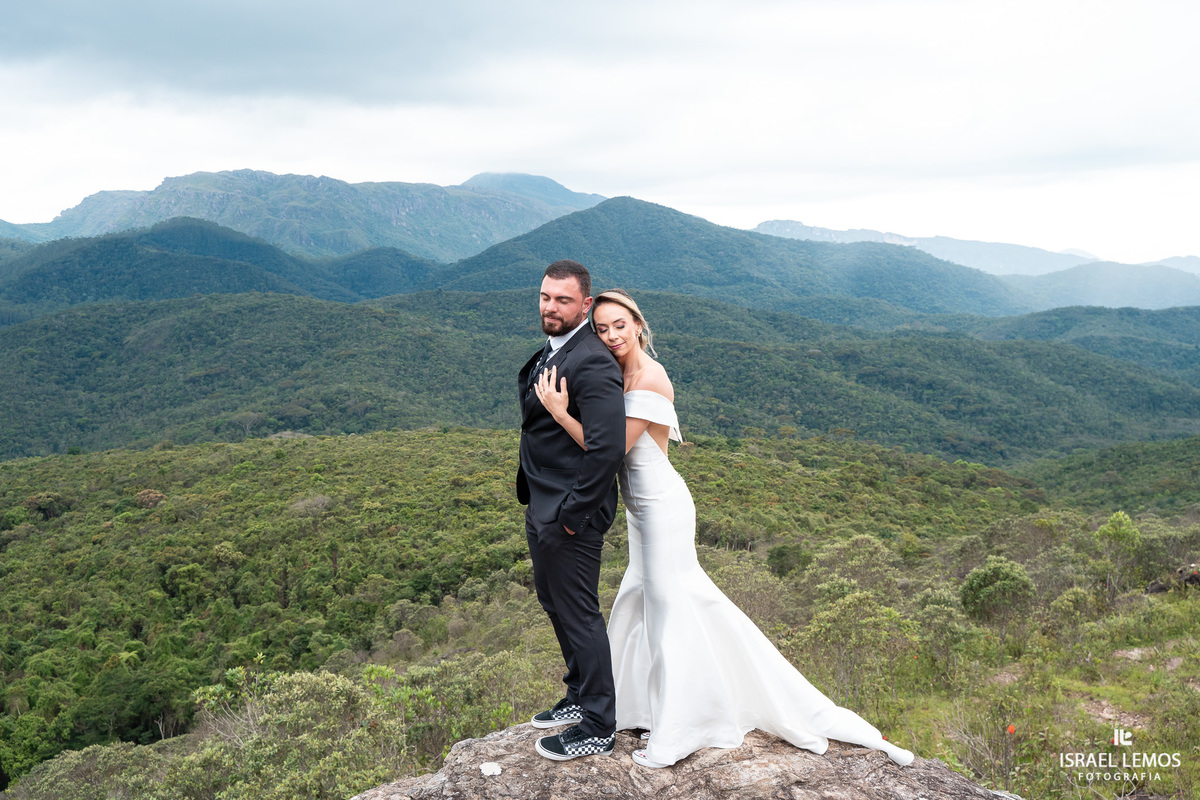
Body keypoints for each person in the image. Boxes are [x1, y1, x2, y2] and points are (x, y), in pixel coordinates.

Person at [533, 288, 916, 769]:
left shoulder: (650, 378)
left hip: (662, 509)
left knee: (672, 607)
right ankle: (630, 703)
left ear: (638, 325)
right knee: (641, 601)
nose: (611, 336)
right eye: (603, 328)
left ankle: (682, 721)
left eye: (620, 326)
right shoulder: (619, 372)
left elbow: (608, 451)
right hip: (638, 511)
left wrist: (559, 411)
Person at [517, 260, 627, 761]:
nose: (550, 307)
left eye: (562, 300)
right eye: (545, 297)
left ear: (585, 305)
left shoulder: (594, 362)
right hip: (543, 501)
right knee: (552, 601)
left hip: (570, 512)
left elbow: (606, 451)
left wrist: (569, 517)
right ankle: (578, 693)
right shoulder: (556, 346)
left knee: (580, 613)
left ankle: (599, 723)